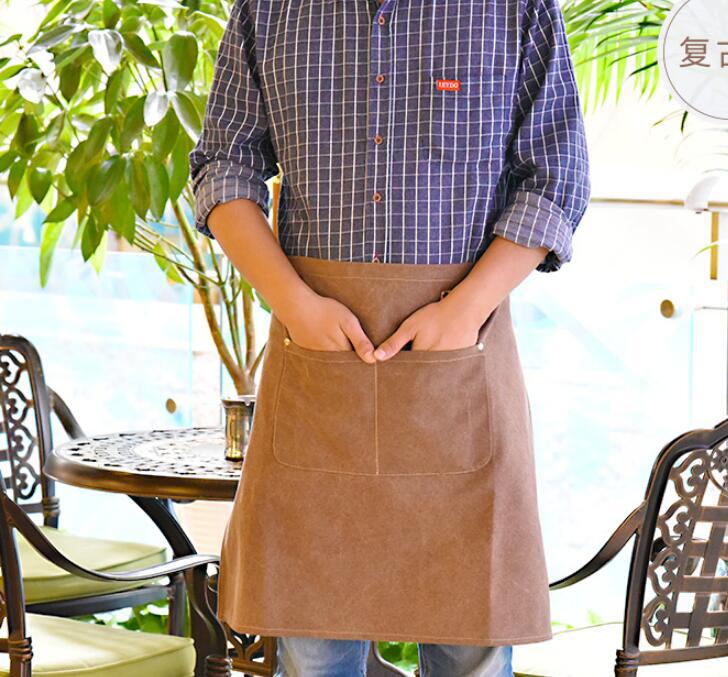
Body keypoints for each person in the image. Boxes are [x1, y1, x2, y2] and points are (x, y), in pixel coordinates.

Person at [189, 0, 591, 675]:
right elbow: (223, 167)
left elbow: (556, 178)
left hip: (461, 362)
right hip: (315, 363)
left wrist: (464, 311)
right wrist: (295, 304)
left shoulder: (514, 9)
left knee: (469, 647)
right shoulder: (268, 9)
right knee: (314, 647)